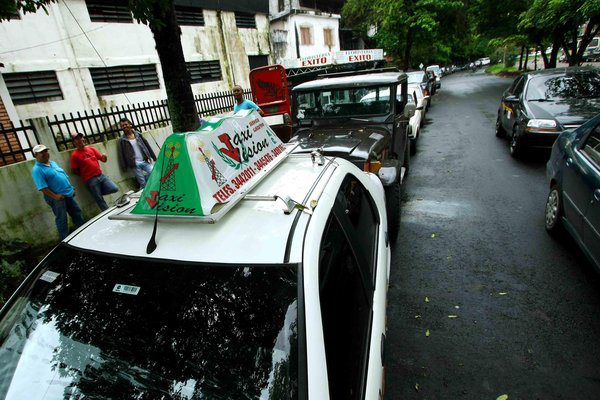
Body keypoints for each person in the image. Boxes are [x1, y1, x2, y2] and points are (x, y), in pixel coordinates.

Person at [31, 144, 85, 240]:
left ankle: (83, 233)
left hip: (67, 194)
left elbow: (64, 176)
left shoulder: (52, 163)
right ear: (35, 155)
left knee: (77, 212)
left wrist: (71, 188)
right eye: (41, 152)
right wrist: (55, 196)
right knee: (62, 219)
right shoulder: (37, 169)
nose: (45, 154)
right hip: (57, 198)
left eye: (45, 151)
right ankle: (65, 240)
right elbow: (42, 187)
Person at [69, 132, 119, 211]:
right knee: (99, 200)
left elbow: (103, 160)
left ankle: (97, 193)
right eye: (77, 139)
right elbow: (74, 170)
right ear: (74, 142)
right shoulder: (74, 155)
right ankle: (107, 213)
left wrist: (105, 157)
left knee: (114, 188)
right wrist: (84, 174)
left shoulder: (91, 149)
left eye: (81, 138)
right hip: (90, 180)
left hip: (101, 176)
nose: (80, 140)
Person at [118, 118, 157, 188]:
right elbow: (121, 154)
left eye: (126, 124)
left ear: (130, 124)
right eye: (122, 126)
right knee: (142, 183)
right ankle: (146, 194)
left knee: (154, 172)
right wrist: (124, 167)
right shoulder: (122, 140)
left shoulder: (138, 135)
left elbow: (147, 146)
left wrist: (154, 157)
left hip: (144, 161)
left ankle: (148, 186)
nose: (124, 126)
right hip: (134, 164)